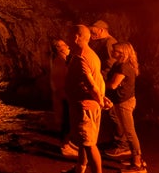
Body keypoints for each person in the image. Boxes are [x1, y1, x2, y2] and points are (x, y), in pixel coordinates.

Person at [62, 25, 106, 173]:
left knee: (89, 143)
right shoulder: (89, 54)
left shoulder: (82, 57)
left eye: (69, 35)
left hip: (85, 107)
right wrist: (102, 98)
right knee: (83, 141)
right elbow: (99, 79)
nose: (66, 38)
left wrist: (99, 102)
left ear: (76, 37)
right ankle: (80, 169)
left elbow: (92, 85)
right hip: (84, 104)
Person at [105, 42, 147, 173]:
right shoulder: (120, 64)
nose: (112, 52)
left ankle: (138, 165)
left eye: (115, 51)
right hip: (123, 100)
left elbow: (113, 85)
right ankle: (135, 157)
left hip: (124, 102)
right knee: (127, 130)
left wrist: (97, 84)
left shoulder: (123, 67)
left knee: (129, 132)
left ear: (122, 53)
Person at [89, 20, 129, 156]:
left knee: (114, 113)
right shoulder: (102, 42)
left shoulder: (109, 43)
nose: (91, 34)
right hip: (107, 81)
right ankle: (117, 140)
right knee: (112, 113)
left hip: (109, 82)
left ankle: (122, 144)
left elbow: (110, 64)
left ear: (101, 30)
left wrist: (99, 79)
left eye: (93, 31)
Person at [50, 39, 78, 157]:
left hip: (64, 94)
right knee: (66, 120)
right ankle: (65, 146)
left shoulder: (63, 60)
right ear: (58, 48)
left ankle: (67, 142)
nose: (68, 46)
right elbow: (61, 80)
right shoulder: (60, 61)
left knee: (68, 119)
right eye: (64, 45)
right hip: (64, 95)